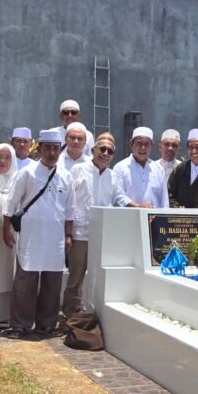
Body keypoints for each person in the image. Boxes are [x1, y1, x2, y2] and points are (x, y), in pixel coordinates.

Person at [4, 128, 75, 339]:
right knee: (25, 280)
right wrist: (6, 230)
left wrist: (68, 235)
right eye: (48, 148)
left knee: (52, 282)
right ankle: (20, 324)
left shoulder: (66, 176)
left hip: (55, 237)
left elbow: (70, 209)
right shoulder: (27, 173)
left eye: (55, 149)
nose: (52, 153)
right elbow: (11, 203)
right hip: (31, 235)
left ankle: (47, 323)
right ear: (40, 149)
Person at [63, 132, 116, 316]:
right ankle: (71, 316)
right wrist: (68, 233)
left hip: (102, 236)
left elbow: (117, 200)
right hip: (80, 233)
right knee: (75, 278)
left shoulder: (112, 175)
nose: (106, 153)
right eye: (102, 149)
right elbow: (68, 201)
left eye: (110, 151)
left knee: (98, 277)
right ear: (93, 150)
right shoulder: (78, 170)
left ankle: (93, 315)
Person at [0, 143, 18, 328]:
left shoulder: (17, 179)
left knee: (7, 273)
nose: (2, 161)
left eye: (7, 157)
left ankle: (4, 316)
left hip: (10, 234)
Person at [112, 127, 169, 208]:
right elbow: (118, 196)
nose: (143, 148)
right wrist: (138, 207)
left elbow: (164, 201)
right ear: (131, 144)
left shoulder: (159, 169)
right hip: (128, 217)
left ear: (152, 146)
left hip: (153, 219)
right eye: (139, 143)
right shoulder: (120, 167)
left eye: (146, 144)